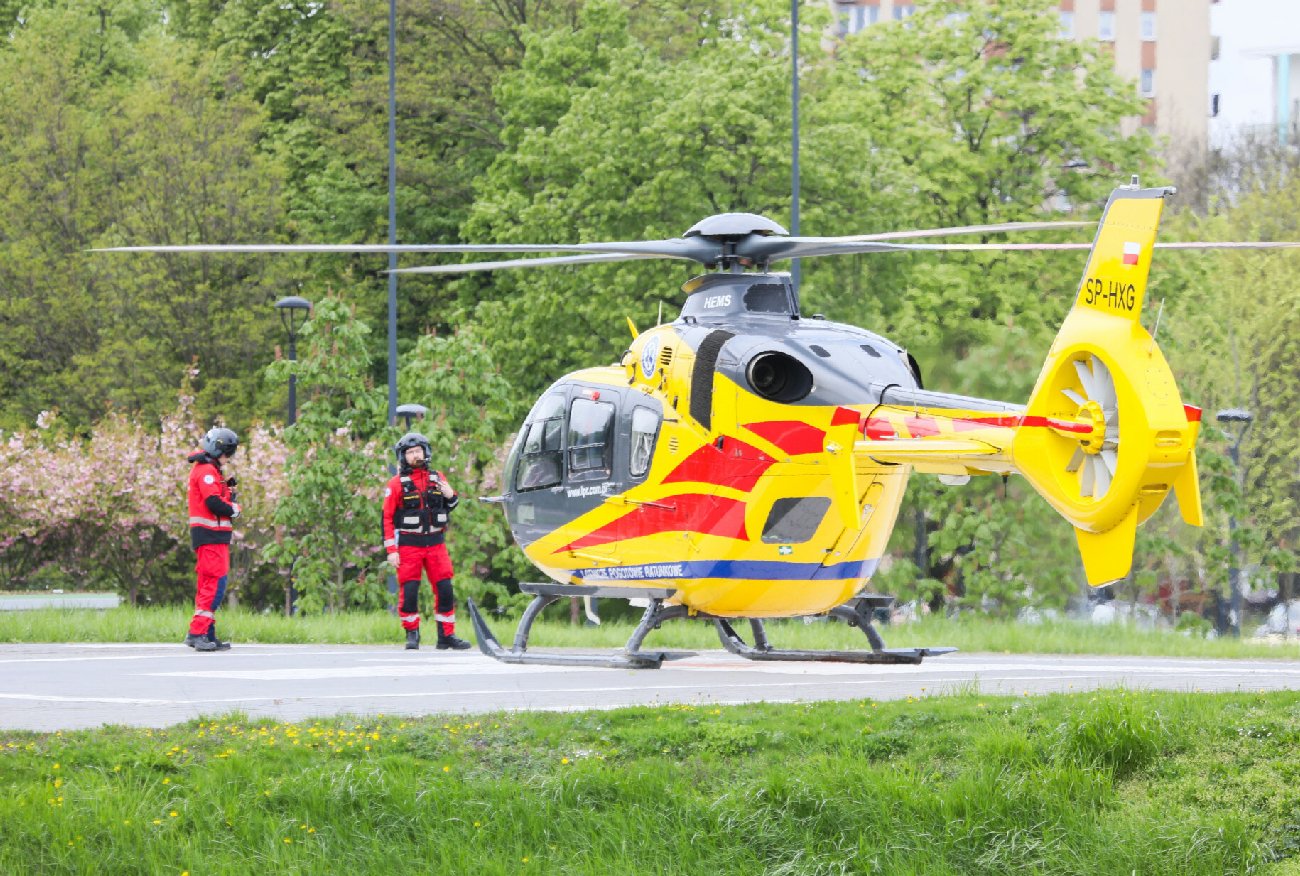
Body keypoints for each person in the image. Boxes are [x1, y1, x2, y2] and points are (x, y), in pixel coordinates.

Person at [382, 432, 471, 651]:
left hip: (436, 544)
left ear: (426, 452)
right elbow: (386, 518)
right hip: (409, 545)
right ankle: (412, 634)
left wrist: (451, 495)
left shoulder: (437, 478)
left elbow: (450, 504)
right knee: (410, 591)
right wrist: (391, 550)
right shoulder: (395, 484)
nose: (415, 455)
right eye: (410, 452)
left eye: (418, 451)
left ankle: (446, 636)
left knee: (445, 589)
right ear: (403, 457)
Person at [184, 427, 240, 652]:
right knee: (215, 584)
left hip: (213, 536)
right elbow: (213, 503)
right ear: (218, 450)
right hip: (210, 536)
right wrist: (234, 509)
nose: (228, 459)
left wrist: (229, 492)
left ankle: (206, 633)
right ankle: (197, 633)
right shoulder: (206, 471)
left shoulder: (209, 470)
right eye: (227, 454)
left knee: (210, 584)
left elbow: (217, 498)